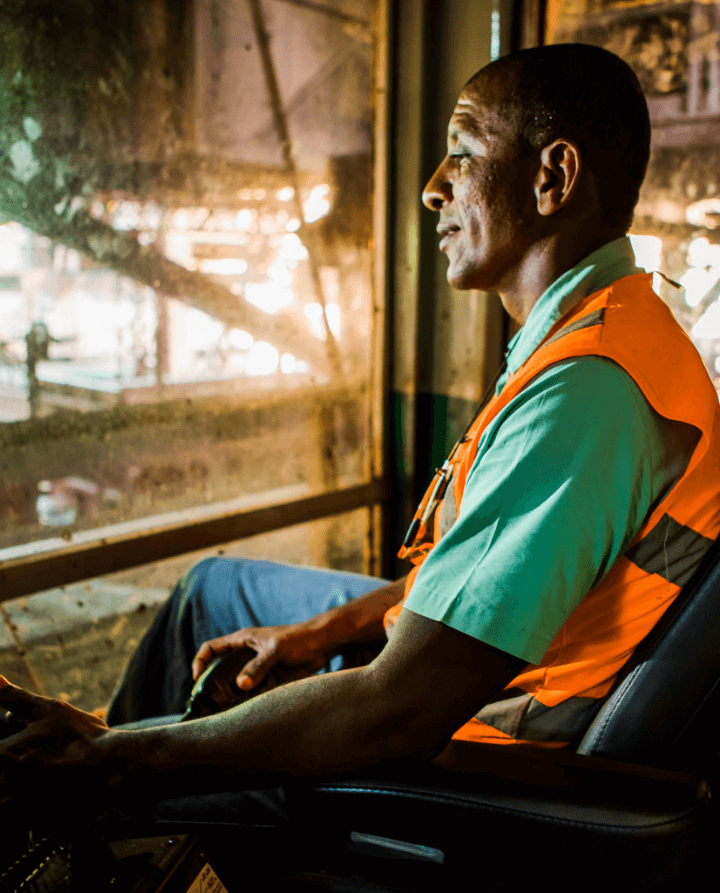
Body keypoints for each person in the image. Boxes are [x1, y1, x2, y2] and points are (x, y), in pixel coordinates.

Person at [2, 43, 720, 820]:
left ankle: (113, 813)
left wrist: (122, 756)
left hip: (482, 762)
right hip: (490, 670)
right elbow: (481, 573)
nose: (430, 189)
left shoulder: (585, 394)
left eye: (460, 155)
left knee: (163, 714)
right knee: (213, 594)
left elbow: (399, 706)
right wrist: (315, 633)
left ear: (552, 178)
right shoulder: (612, 331)